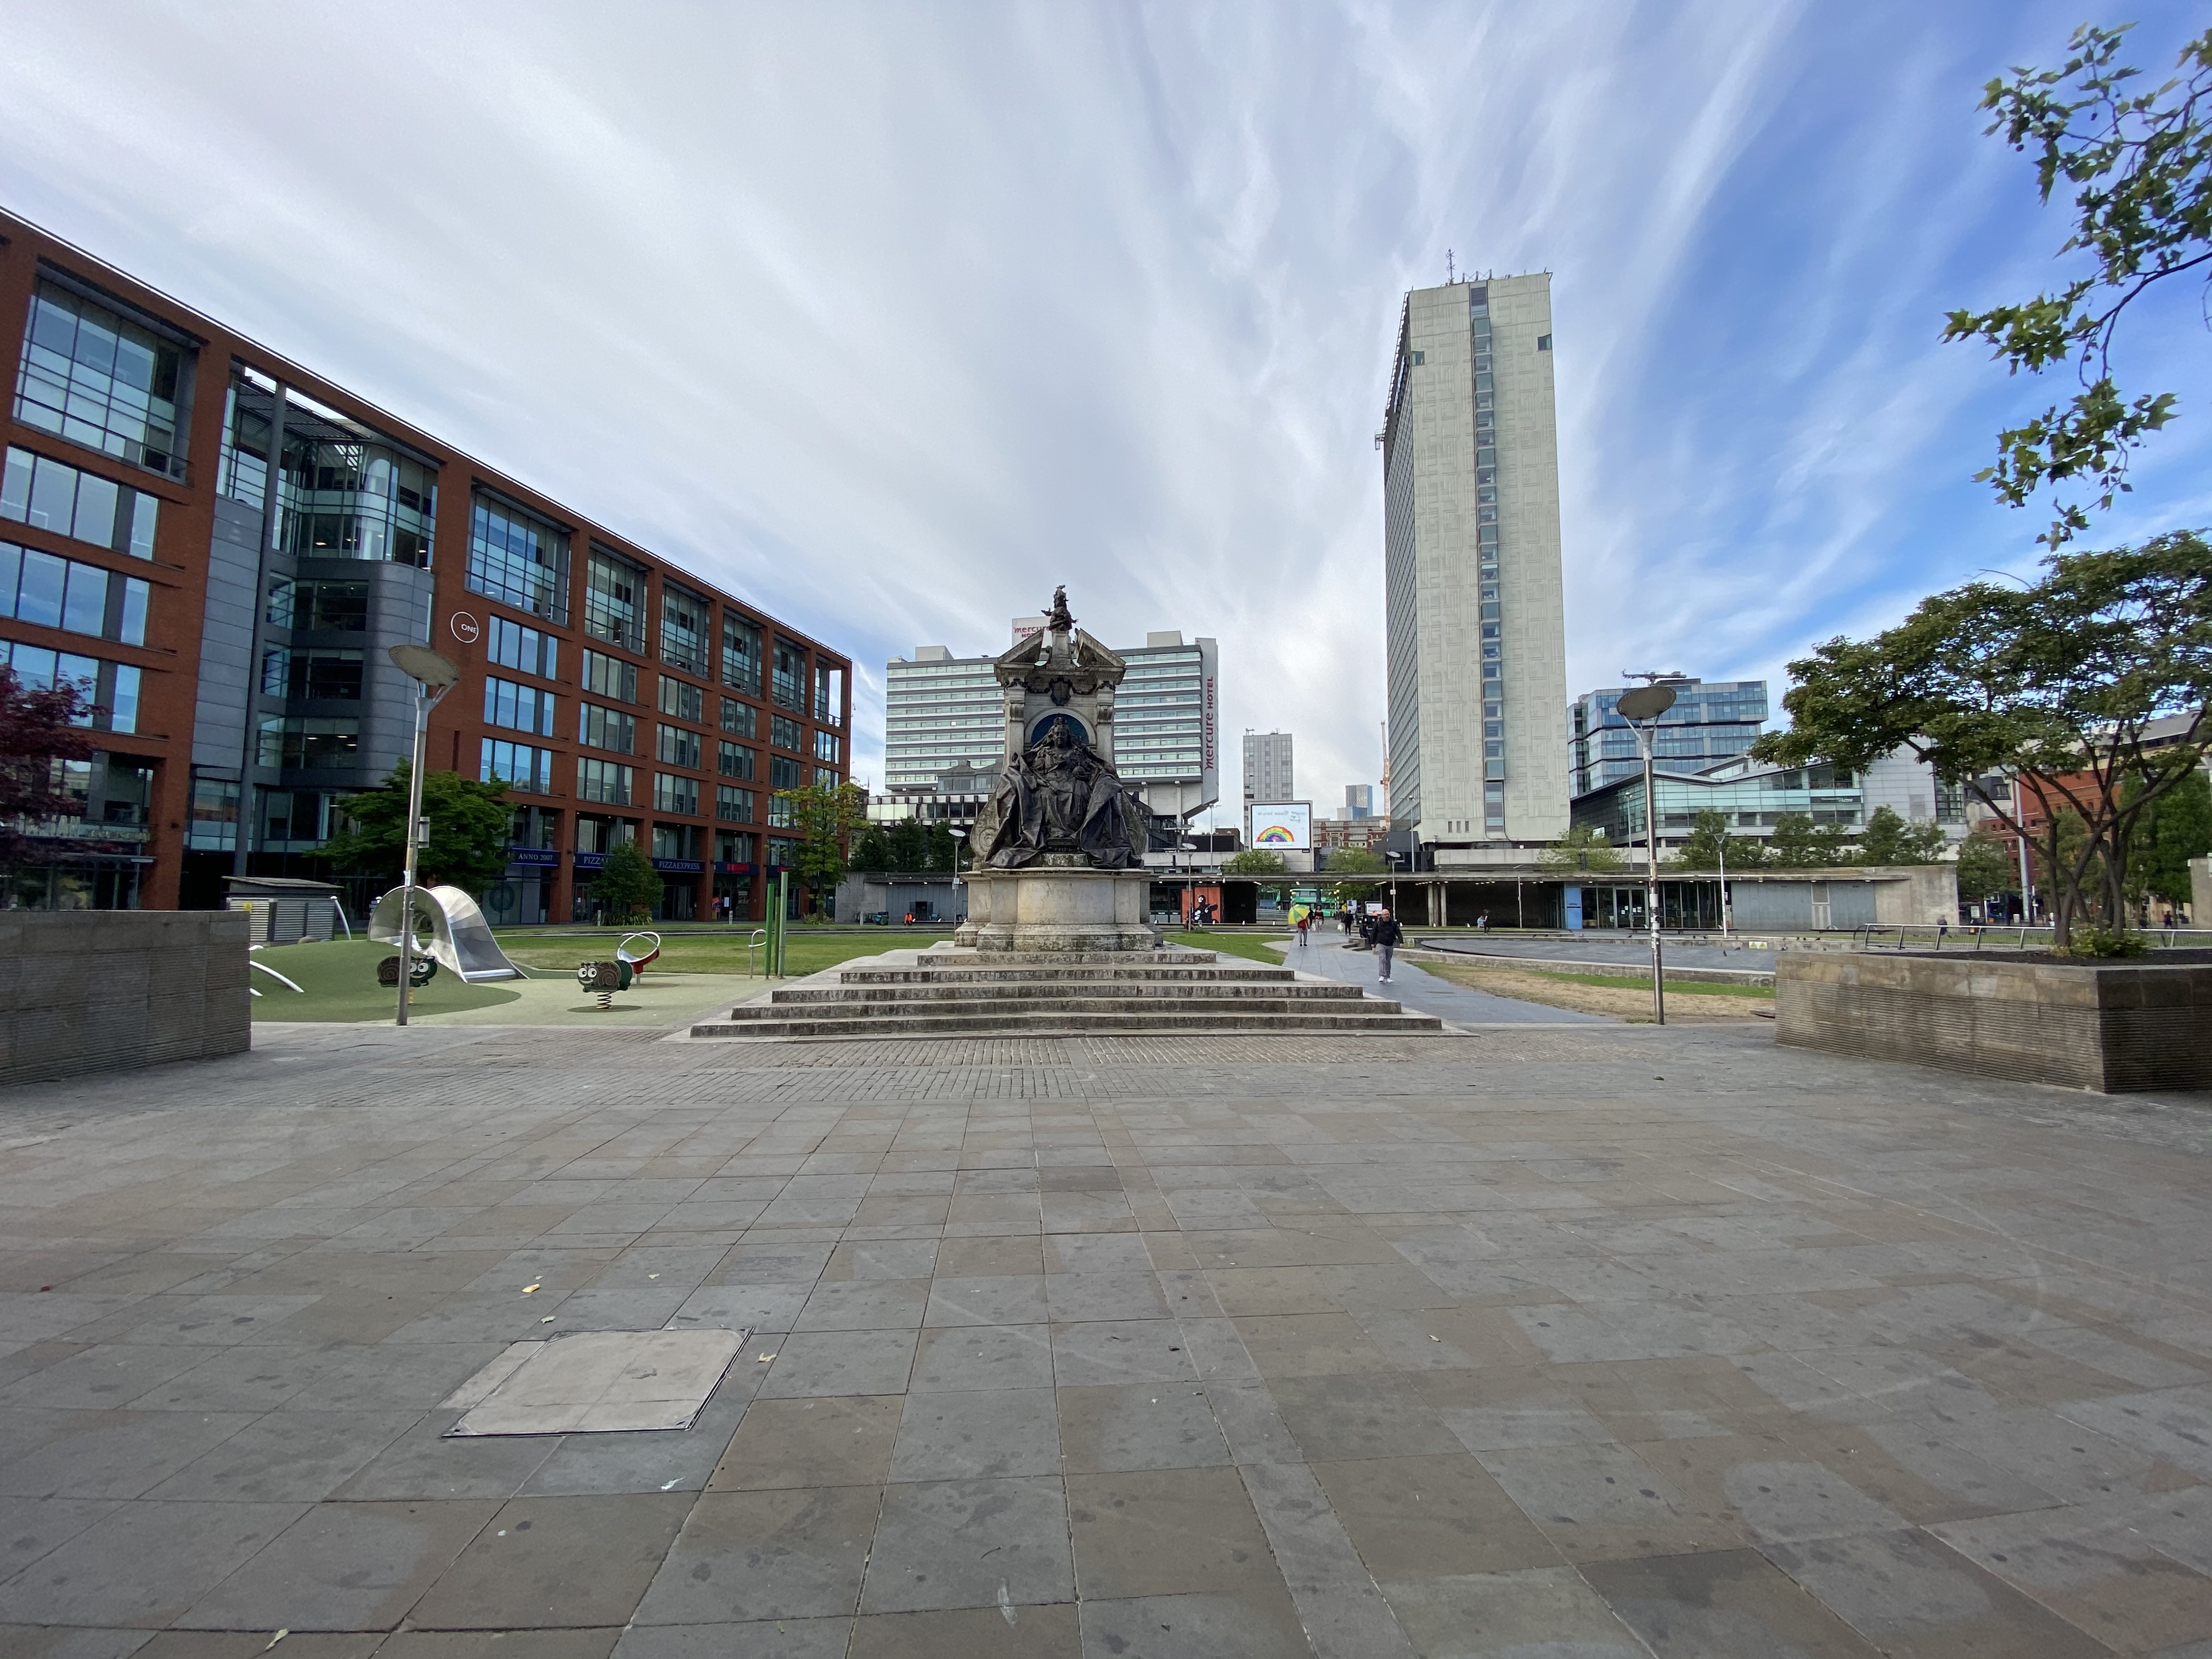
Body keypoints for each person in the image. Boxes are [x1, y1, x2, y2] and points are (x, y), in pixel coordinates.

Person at [1373, 907, 1402, 983]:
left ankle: (1388, 976)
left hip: (1390, 944)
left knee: (1388, 960)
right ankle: (1382, 975)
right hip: (1381, 943)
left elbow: (1398, 932)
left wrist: (1401, 941)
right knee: (1382, 959)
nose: (1387, 916)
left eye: (1388, 914)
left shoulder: (1393, 923)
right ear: (1382, 916)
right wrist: (1372, 943)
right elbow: (1374, 933)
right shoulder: (1378, 923)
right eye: (1385, 914)